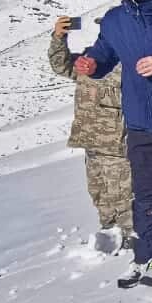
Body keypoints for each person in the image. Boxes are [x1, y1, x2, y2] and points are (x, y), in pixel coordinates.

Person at [72, 0, 152, 287]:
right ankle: (143, 255)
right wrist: (91, 62)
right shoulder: (114, 20)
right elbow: (105, 51)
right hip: (136, 120)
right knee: (145, 192)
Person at [48, 14, 133, 250]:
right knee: (98, 192)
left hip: (116, 145)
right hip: (91, 142)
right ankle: (108, 234)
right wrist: (58, 37)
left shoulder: (129, 64)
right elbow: (61, 65)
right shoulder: (90, 59)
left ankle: (130, 239)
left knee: (122, 195)